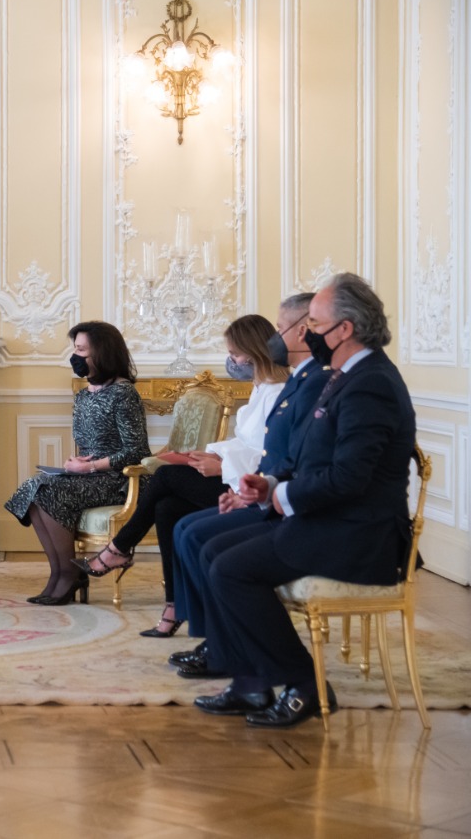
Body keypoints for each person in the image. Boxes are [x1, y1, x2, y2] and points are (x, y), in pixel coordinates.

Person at [193, 274, 416, 728]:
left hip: (358, 531)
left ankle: (307, 684)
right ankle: (251, 684)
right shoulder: (345, 376)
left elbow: (351, 478)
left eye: (313, 322)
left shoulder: (370, 383)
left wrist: (282, 495)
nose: (305, 333)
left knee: (231, 569)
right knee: (215, 549)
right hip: (330, 518)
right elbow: (313, 455)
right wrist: (269, 483)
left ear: (345, 329)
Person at [73, 314, 288, 635]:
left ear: (256, 351)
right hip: (234, 474)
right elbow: (245, 442)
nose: (231, 361)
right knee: (166, 508)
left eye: (235, 355)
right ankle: (173, 607)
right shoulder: (259, 389)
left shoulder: (279, 391)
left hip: (252, 489)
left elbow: (272, 453)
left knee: (167, 478)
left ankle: (117, 550)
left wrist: (221, 463)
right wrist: (212, 452)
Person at [169, 294, 330, 676]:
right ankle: (227, 650)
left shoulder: (318, 382)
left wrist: (262, 492)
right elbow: (283, 458)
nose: (274, 336)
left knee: (210, 548)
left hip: (306, 515)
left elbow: (320, 467)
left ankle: (274, 671)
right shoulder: (303, 381)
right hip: (270, 495)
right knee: (182, 521)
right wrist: (258, 488)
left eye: (279, 329)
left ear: (303, 331)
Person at [4, 321, 150, 606]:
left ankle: (69, 574)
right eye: (75, 349)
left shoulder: (123, 394)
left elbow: (136, 451)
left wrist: (90, 467)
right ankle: (59, 572)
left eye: (81, 349)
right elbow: (89, 445)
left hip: (118, 479)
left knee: (49, 492)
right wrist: (78, 460)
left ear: (102, 353)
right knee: (34, 487)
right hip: (90, 474)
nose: (75, 356)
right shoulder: (84, 394)